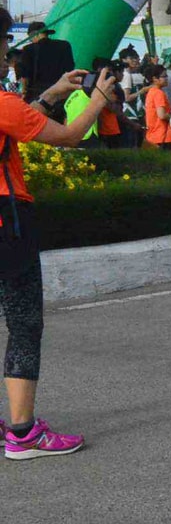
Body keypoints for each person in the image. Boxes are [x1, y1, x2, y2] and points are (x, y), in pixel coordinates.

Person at [0, 62, 119, 459]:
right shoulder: (2, 103)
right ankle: (23, 432)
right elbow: (69, 136)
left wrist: (53, 94)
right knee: (24, 322)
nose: (8, 61)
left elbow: (19, 122)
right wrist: (98, 100)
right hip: (7, 221)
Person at [141, 62, 171, 149]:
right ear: (155, 79)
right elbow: (162, 115)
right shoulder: (158, 93)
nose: (167, 78)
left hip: (153, 136)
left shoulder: (151, 92)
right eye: (164, 76)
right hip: (162, 136)